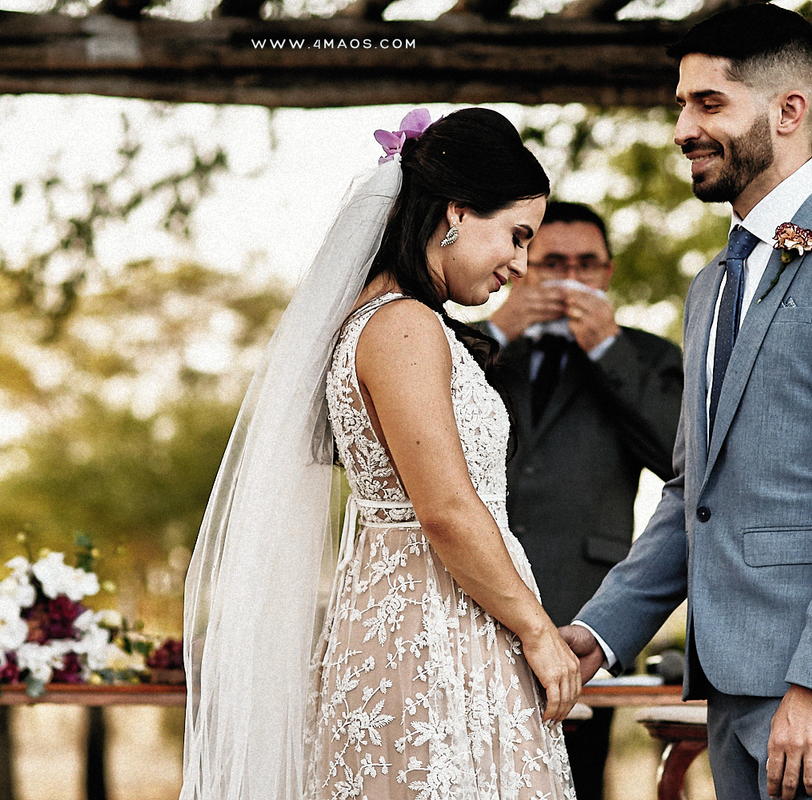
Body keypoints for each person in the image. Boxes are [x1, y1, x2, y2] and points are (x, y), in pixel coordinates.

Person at [560, 5, 812, 799]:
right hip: (727, 677)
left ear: (789, 111)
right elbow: (690, 495)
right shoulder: (711, 284)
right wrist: (598, 632)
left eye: (708, 103)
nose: (681, 129)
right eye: (680, 104)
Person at [180, 107, 580, 800]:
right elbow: (448, 509)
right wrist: (538, 633)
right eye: (516, 236)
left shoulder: (388, 320)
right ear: (456, 212)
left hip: (431, 617)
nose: (520, 264)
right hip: (432, 627)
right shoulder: (402, 325)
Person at [481, 201, 683, 799]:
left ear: (608, 272)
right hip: (475, 596)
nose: (570, 277)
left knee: (574, 782)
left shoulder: (647, 358)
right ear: (522, 266)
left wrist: (608, 351)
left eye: (586, 263)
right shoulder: (479, 349)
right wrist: (496, 329)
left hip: (583, 613)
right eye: (551, 263)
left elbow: (685, 460)